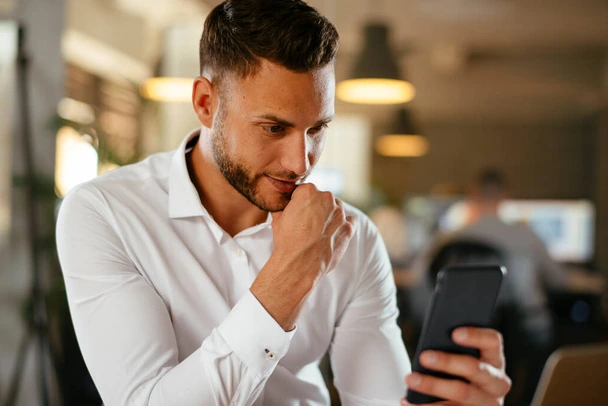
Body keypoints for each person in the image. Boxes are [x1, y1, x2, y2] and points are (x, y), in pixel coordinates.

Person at [56, 1, 511, 405]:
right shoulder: (104, 213)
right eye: (274, 128)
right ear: (205, 103)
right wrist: (292, 270)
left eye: (317, 129)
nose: (300, 162)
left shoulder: (352, 236)